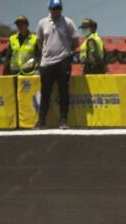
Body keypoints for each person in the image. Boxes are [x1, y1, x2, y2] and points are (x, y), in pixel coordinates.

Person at [37, 0, 78, 130]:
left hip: (63, 61)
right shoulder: (42, 23)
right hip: (47, 62)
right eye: (54, 8)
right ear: (49, 9)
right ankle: (41, 120)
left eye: (59, 8)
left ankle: (63, 120)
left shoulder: (68, 22)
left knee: (63, 91)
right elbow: (39, 42)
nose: (57, 11)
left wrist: (66, 52)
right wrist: (46, 52)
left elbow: (75, 41)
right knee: (45, 92)